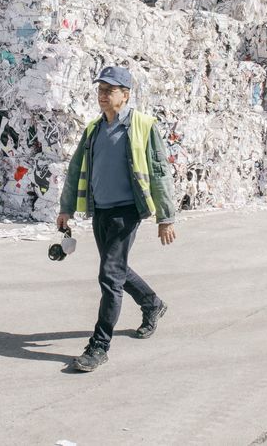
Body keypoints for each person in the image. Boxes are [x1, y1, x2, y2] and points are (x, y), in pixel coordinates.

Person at [57, 65, 177, 372]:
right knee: (117, 269)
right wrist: (66, 208)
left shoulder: (143, 126)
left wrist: (166, 217)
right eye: (100, 90)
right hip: (101, 210)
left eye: (109, 91)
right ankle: (152, 304)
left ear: (125, 95)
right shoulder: (94, 130)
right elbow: (75, 170)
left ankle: (99, 345)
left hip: (127, 210)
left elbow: (161, 172)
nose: (102, 96)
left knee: (109, 276)